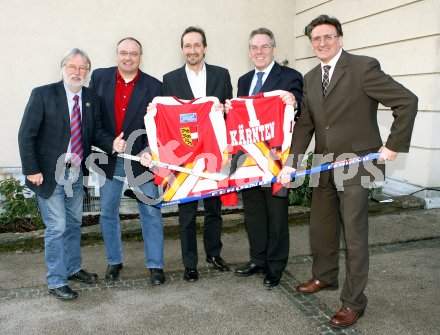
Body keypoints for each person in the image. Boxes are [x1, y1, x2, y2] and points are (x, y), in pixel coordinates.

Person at [278, 15, 418, 328]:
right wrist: (292, 161)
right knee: (321, 228)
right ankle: (324, 276)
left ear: (340, 39)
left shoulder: (363, 67)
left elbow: (407, 101)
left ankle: (354, 302)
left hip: (359, 161)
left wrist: (394, 144)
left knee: (354, 235)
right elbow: (306, 125)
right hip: (324, 163)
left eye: (328, 37)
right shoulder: (311, 77)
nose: (322, 43)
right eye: (316, 39)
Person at [18, 48, 126, 300]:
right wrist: (31, 169)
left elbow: (96, 131)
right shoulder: (43, 94)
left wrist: (112, 144)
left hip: (75, 174)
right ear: (63, 68)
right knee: (57, 227)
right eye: (72, 67)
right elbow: (26, 134)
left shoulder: (90, 98)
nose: (77, 72)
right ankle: (56, 280)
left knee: (74, 224)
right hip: (47, 174)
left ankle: (73, 268)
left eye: (82, 68)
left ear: (87, 72)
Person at [88, 37, 166, 285]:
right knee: (108, 212)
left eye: (133, 53)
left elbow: (160, 126)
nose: (128, 57)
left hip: (141, 159)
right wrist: (109, 142)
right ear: (116, 54)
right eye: (124, 53)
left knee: (150, 210)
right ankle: (114, 261)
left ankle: (155, 265)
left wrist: (149, 151)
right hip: (108, 157)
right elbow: (93, 121)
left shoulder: (154, 86)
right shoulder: (99, 78)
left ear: (140, 56)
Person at [230, 28, 303, 287]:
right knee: (254, 213)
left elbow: (301, 108)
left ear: (274, 48)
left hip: (276, 159)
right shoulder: (243, 80)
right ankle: (257, 259)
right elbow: (240, 119)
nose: (258, 52)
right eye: (254, 48)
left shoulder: (290, 76)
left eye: (264, 47)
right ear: (249, 52)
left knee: (277, 214)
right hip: (249, 161)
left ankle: (275, 265)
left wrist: (293, 103)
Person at [161, 26, 233, 282]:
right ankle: (189, 263)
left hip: (214, 154)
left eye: (196, 45)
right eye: (187, 46)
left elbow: (230, 113)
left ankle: (214, 254)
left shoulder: (221, 75)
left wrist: (227, 109)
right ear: (182, 50)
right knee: (187, 212)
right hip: (185, 155)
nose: (192, 50)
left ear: (205, 47)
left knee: (214, 208)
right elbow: (166, 117)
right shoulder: (170, 79)